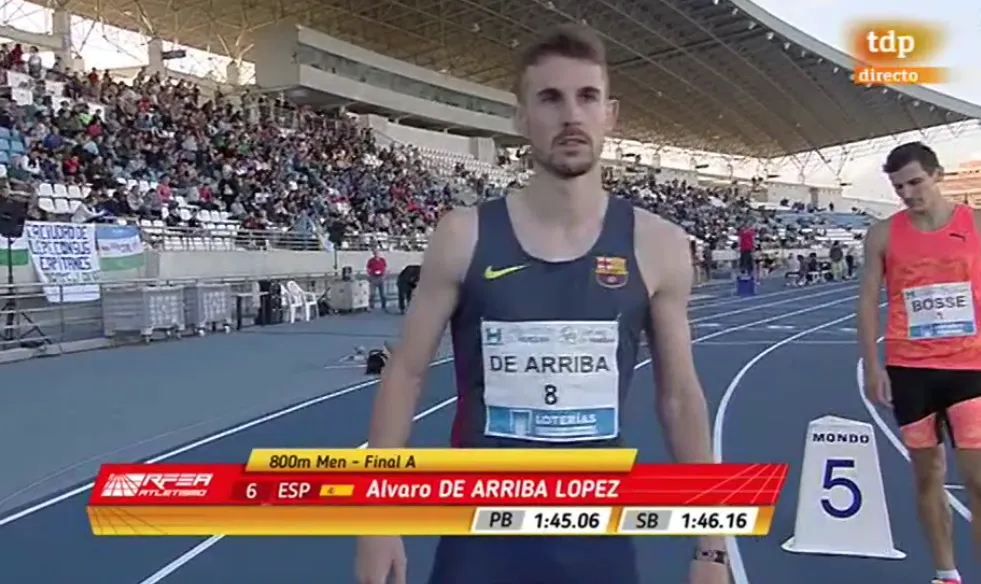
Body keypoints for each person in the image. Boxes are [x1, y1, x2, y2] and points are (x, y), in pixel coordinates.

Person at [355, 24, 728, 584]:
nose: (571, 115)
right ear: (522, 117)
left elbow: (679, 398)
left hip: (596, 542)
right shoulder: (463, 236)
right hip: (480, 542)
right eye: (550, 98)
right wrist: (375, 518)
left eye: (587, 97)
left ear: (610, 115)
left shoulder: (658, 245)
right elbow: (405, 372)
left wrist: (712, 546)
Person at [858, 141, 981, 584]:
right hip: (910, 370)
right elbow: (867, 301)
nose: (908, 193)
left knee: (978, 479)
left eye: (915, 182)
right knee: (928, 476)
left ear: (937, 175)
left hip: (971, 367)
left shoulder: (976, 224)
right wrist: (872, 366)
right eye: (898, 187)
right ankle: (946, 574)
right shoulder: (883, 235)